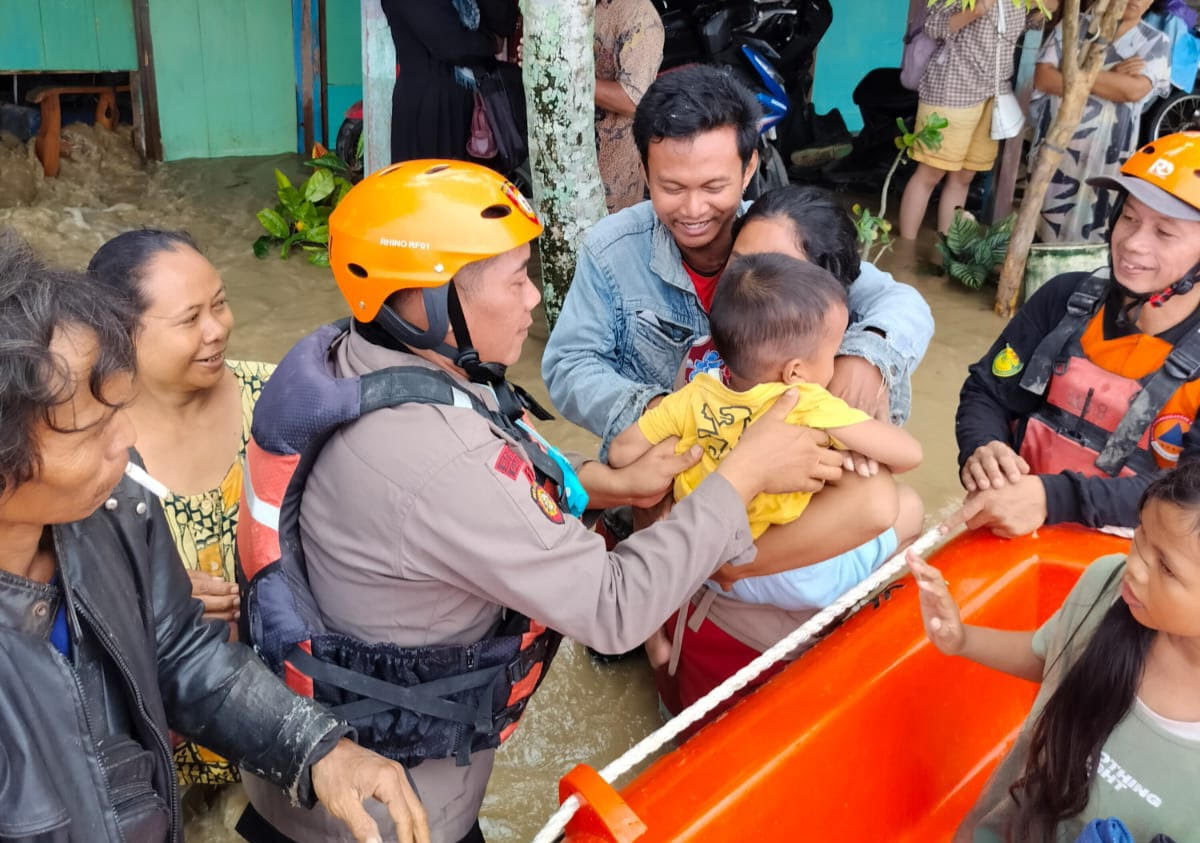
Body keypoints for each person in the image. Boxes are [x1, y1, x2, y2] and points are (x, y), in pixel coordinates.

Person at [236, 160, 841, 843]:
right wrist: (748, 470)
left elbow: (485, 480)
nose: (534, 299)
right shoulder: (438, 458)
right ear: (428, 304)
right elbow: (612, 609)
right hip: (386, 820)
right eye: (516, 278)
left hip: (304, 777)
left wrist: (603, 484)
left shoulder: (358, 357)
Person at [0, 230, 428, 843]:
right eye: (91, 428)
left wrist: (320, 750)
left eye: (121, 411)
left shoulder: (118, 511)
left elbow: (182, 653)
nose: (125, 442)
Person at [543, 66, 934, 462]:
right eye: (672, 187)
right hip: (669, 467)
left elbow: (902, 303)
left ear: (748, 169)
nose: (693, 210)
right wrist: (663, 412)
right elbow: (569, 364)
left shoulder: (778, 236)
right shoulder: (612, 250)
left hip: (784, 469)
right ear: (645, 171)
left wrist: (866, 357)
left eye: (714, 187)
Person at [610, 253, 923, 618]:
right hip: (786, 576)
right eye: (833, 352)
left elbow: (621, 452)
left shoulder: (694, 394)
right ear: (794, 372)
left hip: (701, 550)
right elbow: (908, 456)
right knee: (911, 508)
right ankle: (861, 620)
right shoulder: (804, 400)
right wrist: (850, 429)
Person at [909, 461, 1200, 842]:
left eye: (1165, 567)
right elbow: (1055, 655)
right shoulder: (1107, 586)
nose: (1136, 566)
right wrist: (961, 639)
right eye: (1141, 534)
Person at [87, 229, 272, 786]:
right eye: (190, 319)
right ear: (121, 333)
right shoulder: (88, 452)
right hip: (153, 759)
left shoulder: (277, 404)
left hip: (275, 732)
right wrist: (149, 600)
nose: (217, 329)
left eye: (219, 304)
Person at [954, 132, 1200, 538]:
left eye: (1165, 232)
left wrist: (1053, 499)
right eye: (1130, 217)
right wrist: (983, 447)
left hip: (1137, 557)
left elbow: (1190, 498)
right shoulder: (1066, 298)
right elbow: (987, 391)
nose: (1133, 243)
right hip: (1013, 523)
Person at [897, 0, 1055, 240]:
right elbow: (933, 26)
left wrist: (1044, 8)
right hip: (952, 87)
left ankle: (950, 245)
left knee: (964, 176)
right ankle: (904, 249)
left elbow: (1023, 26)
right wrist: (976, 11)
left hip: (992, 93)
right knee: (931, 172)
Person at [1030, 0, 1169, 243]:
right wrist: (1112, 76)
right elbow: (1043, 78)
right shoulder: (1076, 25)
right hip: (1055, 147)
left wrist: (1074, 73)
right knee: (1040, 218)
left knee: (1094, 226)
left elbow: (1133, 91)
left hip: (1108, 157)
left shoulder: (1156, 42)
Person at [382, 0, 520, 163]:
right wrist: (491, 42)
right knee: (436, 182)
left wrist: (491, 41)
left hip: (478, 101)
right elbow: (452, 46)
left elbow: (504, 23)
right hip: (431, 105)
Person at [593, 0, 664, 213]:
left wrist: (569, 77)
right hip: (563, 151)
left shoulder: (639, 15)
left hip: (611, 170)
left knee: (608, 236)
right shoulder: (574, 7)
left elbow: (633, 100)